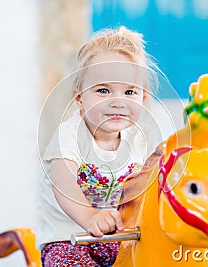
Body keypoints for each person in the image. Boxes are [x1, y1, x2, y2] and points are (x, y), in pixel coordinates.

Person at [37, 26, 160, 267]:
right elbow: (65, 187)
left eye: (129, 92)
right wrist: (91, 217)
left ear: (143, 98)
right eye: (103, 90)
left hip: (118, 237)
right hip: (68, 239)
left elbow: (151, 181)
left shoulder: (139, 138)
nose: (117, 101)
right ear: (79, 98)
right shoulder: (69, 136)